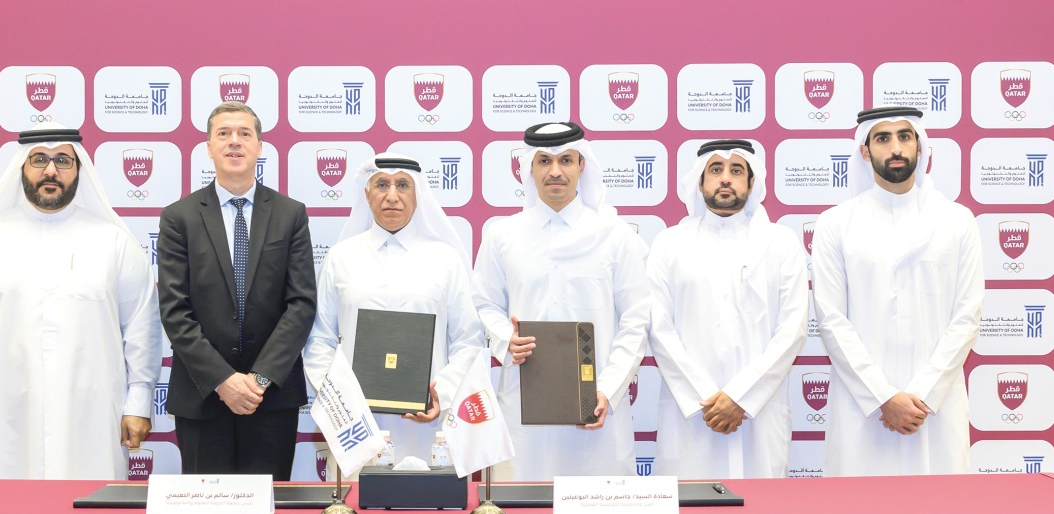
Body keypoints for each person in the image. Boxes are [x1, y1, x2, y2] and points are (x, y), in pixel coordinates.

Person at [0, 124, 161, 479]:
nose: (51, 170)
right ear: (22, 168)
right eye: (39, 159)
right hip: (3, 416)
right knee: (5, 508)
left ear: (78, 169)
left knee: (89, 506)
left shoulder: (113, 241)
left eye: (63, 161)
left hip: (92, 415)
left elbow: (142, 327)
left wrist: (139, 402)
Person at [472, 122, 650, 480]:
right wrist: (506, 340)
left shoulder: (616, 236)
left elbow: (636, 320)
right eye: (544, 161)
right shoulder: (502, 235)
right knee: (521, 507)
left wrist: (608, 389)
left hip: (596, 408)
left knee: (598, 513)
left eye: (566, 160)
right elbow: (483, 305)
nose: (555, 171)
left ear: (582, 166)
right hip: (522, 409)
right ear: (529, 168)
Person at [812, 106, 984, 476]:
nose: (895, 148)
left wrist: (921, 395)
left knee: (940, 509)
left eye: (905, 137)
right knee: (860, 508)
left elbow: (967, 316)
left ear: (920, 147)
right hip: (863, 409)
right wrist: (883, 397)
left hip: (935, 408)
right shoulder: (835, 224)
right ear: (865, 150)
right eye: (883, 138)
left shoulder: (957, 221)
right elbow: (831, 320)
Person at [158, 102, 316, 477]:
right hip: (202, 396)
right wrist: (223, 381)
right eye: (224, 133)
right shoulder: (178, 217)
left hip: (270, 399)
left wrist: (257, 381)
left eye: (245, 134)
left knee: (269, 508)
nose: (234, 141)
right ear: (209, 147)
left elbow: (301, 304)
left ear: (259, 146)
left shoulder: (290, 214)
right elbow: (175, 311)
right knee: (205, 510)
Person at [303, 153, 483, 462]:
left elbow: (468, 340)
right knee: (358, 493)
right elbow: (319, 340)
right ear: (367, 194)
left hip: (429, 426)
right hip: (354, 427)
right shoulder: (341, 257)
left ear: (418, 194)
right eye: (382, 185)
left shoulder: (445, 259)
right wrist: (340, 402)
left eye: (402, 185)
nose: (392, 196)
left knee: (425, 492)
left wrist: (441, 394)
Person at [646, 140, 807, 479]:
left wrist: (741, 397)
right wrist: (708, 399)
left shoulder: (781, 243)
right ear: (700, 180)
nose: (725, 178)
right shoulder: (670, 244)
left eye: (736, 171)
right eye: (715, 170)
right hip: (693, 413)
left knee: (763, 508)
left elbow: (792, 329)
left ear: (751, 182)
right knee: (690, 507)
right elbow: (659, 329)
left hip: (759, 414)